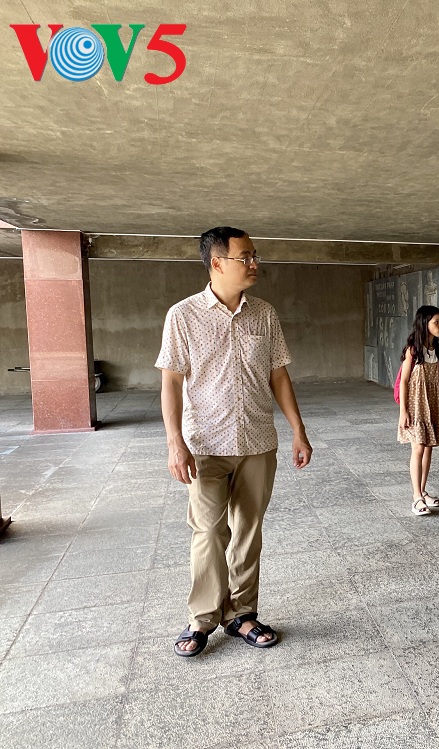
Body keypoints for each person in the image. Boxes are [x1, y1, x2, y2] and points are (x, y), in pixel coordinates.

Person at [156, 226, 313, 657]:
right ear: (217, 263)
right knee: (208, 531)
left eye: (255, 256)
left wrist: (298, 430)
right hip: (205, 445)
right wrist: (174, 442)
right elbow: (171, 382)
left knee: (248, 530)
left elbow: (278, 375)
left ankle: (242, 614)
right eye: (246, 257)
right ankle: (202, 618)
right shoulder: (183, 316)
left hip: (258, 441)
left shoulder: (264, 314)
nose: (254, 264)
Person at [397, 305, 439, 515]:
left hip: (433, 404)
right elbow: (404, 381)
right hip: (416, 405)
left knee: (428, 447)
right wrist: (403, 411)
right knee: (418, 448)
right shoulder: (413, 351)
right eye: (436, 322)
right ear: (424, 324)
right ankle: (416, 497)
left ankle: (423, 491)